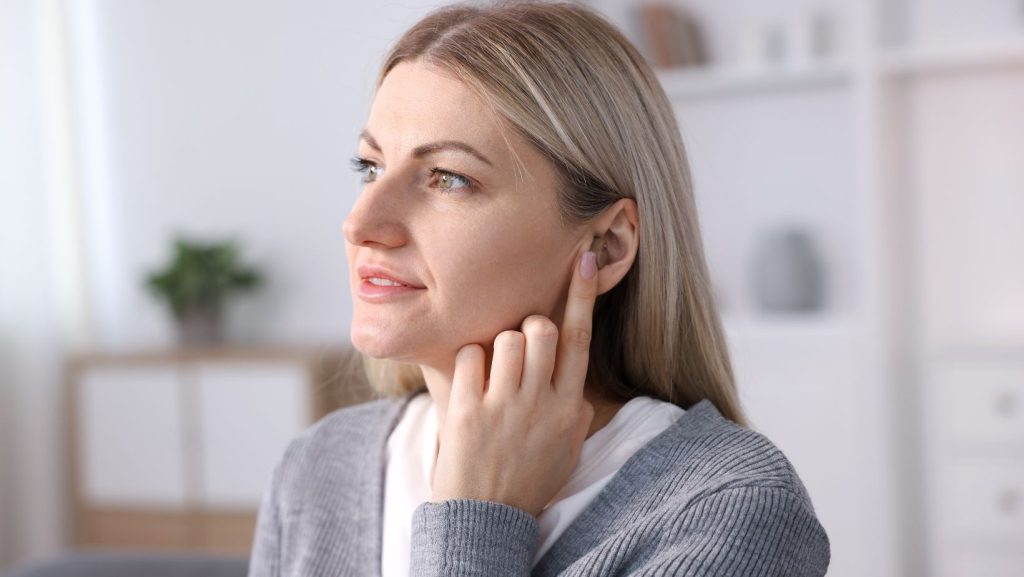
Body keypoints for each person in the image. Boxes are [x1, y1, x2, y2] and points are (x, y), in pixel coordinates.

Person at [247, 1, 831, 576]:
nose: (361, 225)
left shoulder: (728, 510)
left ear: (606, 247)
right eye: (369, 168)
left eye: (449, 178)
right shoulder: (317, 468)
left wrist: (477, 519)